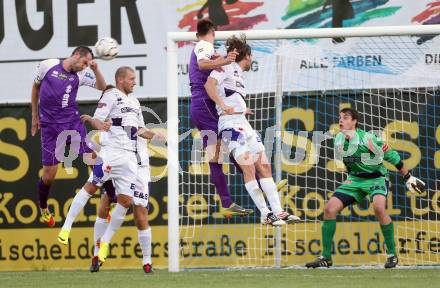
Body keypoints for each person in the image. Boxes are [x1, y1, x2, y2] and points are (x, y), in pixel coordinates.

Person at [57, 67, 160, 267]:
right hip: (111, 153)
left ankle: (105, 243)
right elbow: (98, 117)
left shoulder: (135, 102)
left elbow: (140, 129)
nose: (134, 82)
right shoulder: (111, 95)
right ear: (121, 80)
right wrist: (96, 124)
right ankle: (67, 227)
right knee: (93, 189)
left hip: (131, 160)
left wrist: (156, 136)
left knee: (125, 202)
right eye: (131, 79)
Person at [305, 108, 426, 269]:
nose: (341, 120)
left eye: (345, 118)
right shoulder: (338, 139)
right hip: (355, 180)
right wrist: (351, 176)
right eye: (340, 117)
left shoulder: (368, 139)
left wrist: (407, 177)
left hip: (376, 178)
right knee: (329, 209)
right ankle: (325, 257)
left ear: (354, 121)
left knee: (378, 208)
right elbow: (350, 163)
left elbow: (392, 156)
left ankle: (392, 255)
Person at [204, 35, 300, 226]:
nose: (251, 59)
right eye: (250, 56)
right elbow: (209, 85)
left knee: (264, 166)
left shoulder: (239, 74)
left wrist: (241, 108)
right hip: (230, 126)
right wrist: (222, 104)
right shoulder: (225, 67)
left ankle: (278, 211)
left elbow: (230, 94)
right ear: (246, 56)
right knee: (248, 167)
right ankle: (265, 213)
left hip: (243, 122)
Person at [31, 46, 106, 227]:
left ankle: (109, 197)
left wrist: (96, 70)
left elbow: (103, 87)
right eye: (85, 63)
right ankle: (43, 208)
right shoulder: (48, 65)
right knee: (49, 176)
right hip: (49, 127)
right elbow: (36, 87)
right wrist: (34, 115)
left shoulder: (82, 75)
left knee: (94, 158)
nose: (85, 66)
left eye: (88, 64)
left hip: (72, 124)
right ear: (76, 55)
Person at [189, 19, 251, 216]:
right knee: (223, 149)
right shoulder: (204, 45)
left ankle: (229, 200)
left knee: (220, 152)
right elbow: (202, 64)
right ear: (213, 30)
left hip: (204, 105)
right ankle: (255, 181)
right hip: (204, 104)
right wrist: (225, 60)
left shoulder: (205, 47)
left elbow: (214, 66)